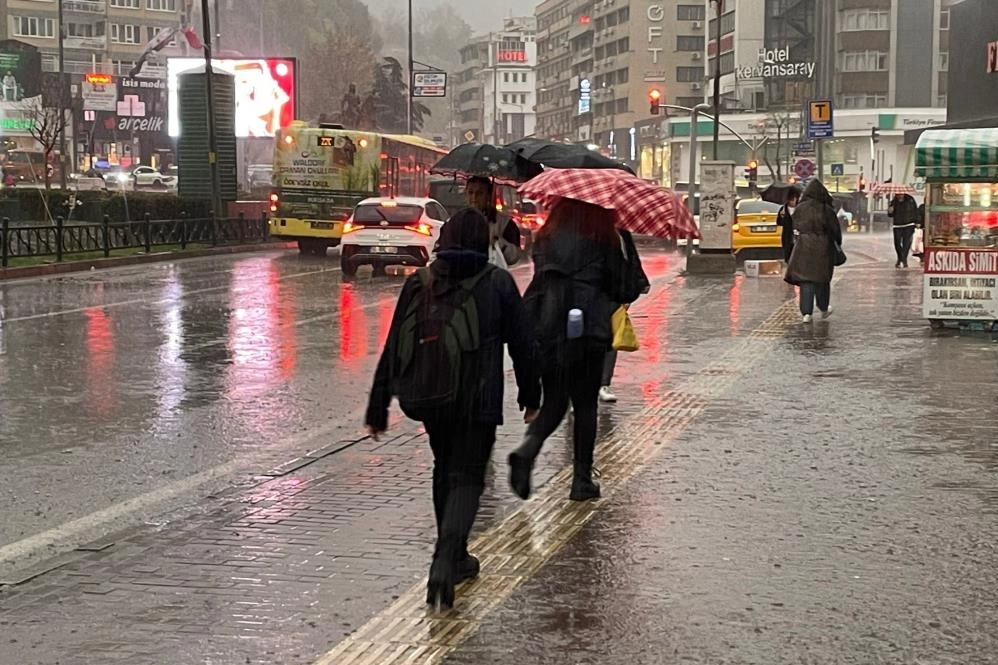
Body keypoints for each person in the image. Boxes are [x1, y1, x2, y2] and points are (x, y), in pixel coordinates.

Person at [364, 208, 540, 609]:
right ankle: (445, 560)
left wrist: (378, 406)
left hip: (432, 396)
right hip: (478, 400)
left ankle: (456, 556)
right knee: (468, 478)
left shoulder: (420, 281)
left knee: (445, 468)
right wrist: (531, 397)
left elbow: (394, 345)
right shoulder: (496, 282)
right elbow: (524, 344)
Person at [508, 198, 642, 502]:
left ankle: (527, 450)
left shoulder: (546, 238)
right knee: (585, 404)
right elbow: (624, 287)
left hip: (550, 327)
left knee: (554, 401)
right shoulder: (604, 238)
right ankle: (581, 480)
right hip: (588, 330)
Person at [599, 228, 649, 403]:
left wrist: (640, 282)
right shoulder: (580, 230)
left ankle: (603, 383)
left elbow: (631, 259)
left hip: (612, 294)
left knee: (611, 337)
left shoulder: (621, 233)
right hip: (585, 293)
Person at [786, 179, 842, 323]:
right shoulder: (825, 208)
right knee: (822, 279)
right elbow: (835, 229)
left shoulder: (800, 208)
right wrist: (836, 243)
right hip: (823, 247)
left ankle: (806, 313)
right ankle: (823, 307)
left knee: (806, 279)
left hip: (803, 246)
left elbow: (795, 225)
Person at [465, 175, 521, 268]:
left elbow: (514, 257)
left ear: (488, 196)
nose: (474, 197)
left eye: (480, 193)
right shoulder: (457, 220)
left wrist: (497, 242)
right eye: (470, 192)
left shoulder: (505, 223)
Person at [888, 191, 919, 268]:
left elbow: (915, 211)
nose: (899, 196)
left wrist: (917, 222)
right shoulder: (893, 202)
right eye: (898, 194)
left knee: (906, 243)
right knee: (897, 243)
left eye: (901, 194)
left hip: (909, 224)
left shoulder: (910, 200)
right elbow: (890, 214)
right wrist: (890, 211)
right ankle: (900, 258)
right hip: (897, 225)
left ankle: (903, 259)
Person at [776, 188, 802, 263]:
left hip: (799, 236)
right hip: (788, 236)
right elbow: (779, 223)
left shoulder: (800, 208)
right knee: (788, 256)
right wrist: (782, 216)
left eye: (794, 199)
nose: (792, 201)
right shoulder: (783, 209)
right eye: (791, 199)